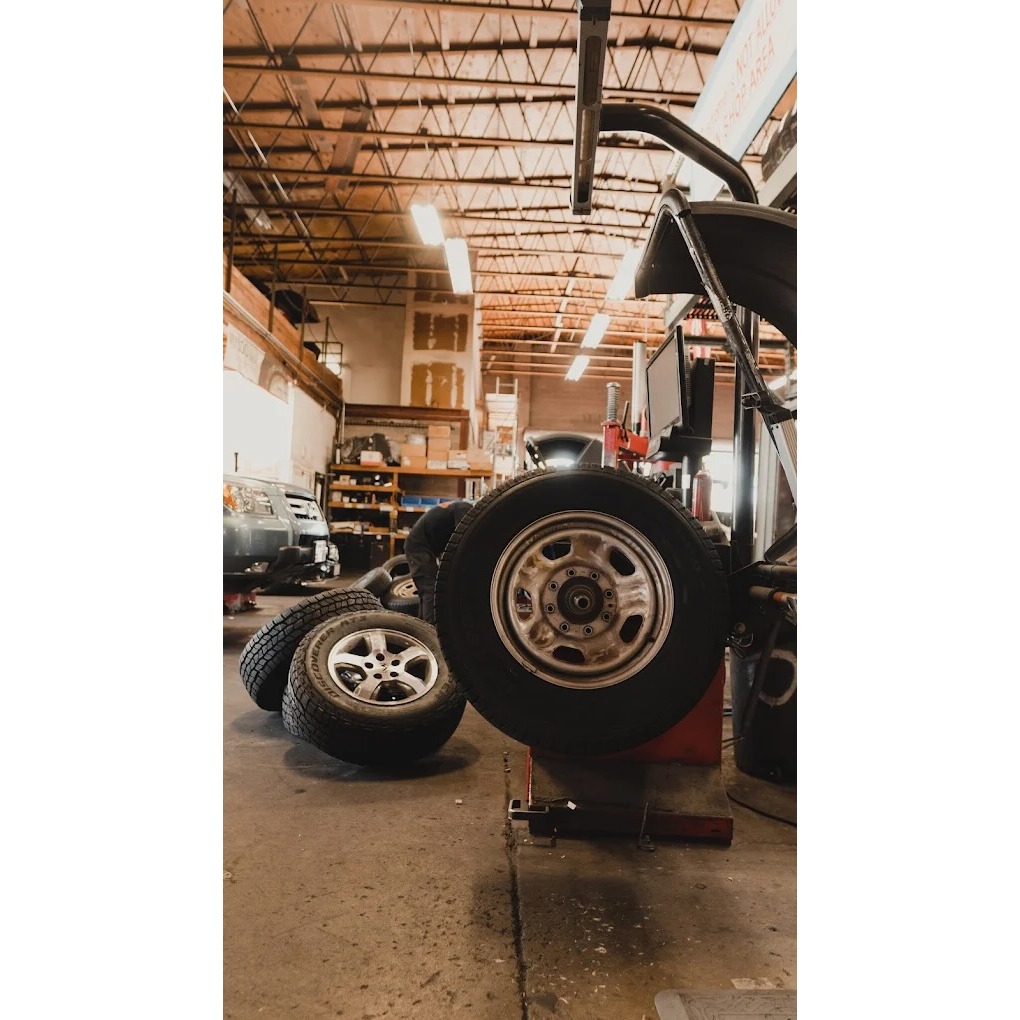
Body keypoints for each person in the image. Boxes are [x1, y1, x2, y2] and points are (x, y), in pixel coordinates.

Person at [402, 500, 474, 624]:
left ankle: (421, 627)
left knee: (427, 591)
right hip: (419, 547)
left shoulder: (459, 508)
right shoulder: (465, 509)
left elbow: (453, 546)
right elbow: (464, 538)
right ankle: (430, 629)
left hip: (423, 545)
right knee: (430, 589)